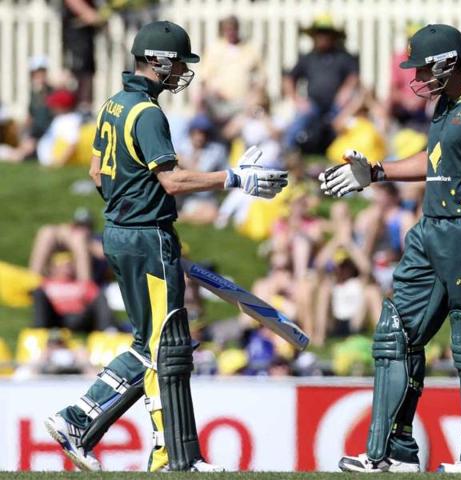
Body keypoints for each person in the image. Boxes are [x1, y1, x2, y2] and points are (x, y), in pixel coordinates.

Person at [44, 20, 288, 473]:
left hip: (119, 232)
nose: (181, 72)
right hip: (147, 236)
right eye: (177, 63)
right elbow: (171, 180)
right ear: (157, 62)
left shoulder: (114, 105)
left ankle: (79, 420)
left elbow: (98, 173)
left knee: (149, 344)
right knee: (166, 348)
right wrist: (235, 179)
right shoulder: (148, 113)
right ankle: (173, 455)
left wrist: (127, 203)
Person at [319, 24, 461, 473]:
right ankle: (389, 453)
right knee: (394, 335)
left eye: (422, 67)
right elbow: (433, 160)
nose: (416, 76)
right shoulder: (447, 105)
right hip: (429, 230)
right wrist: (377, 172)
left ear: (448, 64)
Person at [282, 13, 359, 153]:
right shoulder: (308, 58)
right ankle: (287, 153)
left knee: (349, 124)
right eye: (320, 34)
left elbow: (353, 77)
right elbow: (289, 78)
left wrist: (345, 92)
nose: (323, 37)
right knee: (299, 121)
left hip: (337, 106)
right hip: (313, 105)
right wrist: (297, 100)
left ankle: (346, 156)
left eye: (326, 34)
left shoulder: (343, 57)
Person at [199, 15, 266, 124]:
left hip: (244, 104)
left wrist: (254, 94)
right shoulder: (214, 49)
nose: (230, 32)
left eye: (233, 29)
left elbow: (262, 77)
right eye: (227, 29)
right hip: (219, 103)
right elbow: (204, 78)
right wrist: (212, 91)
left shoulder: (250, 49)